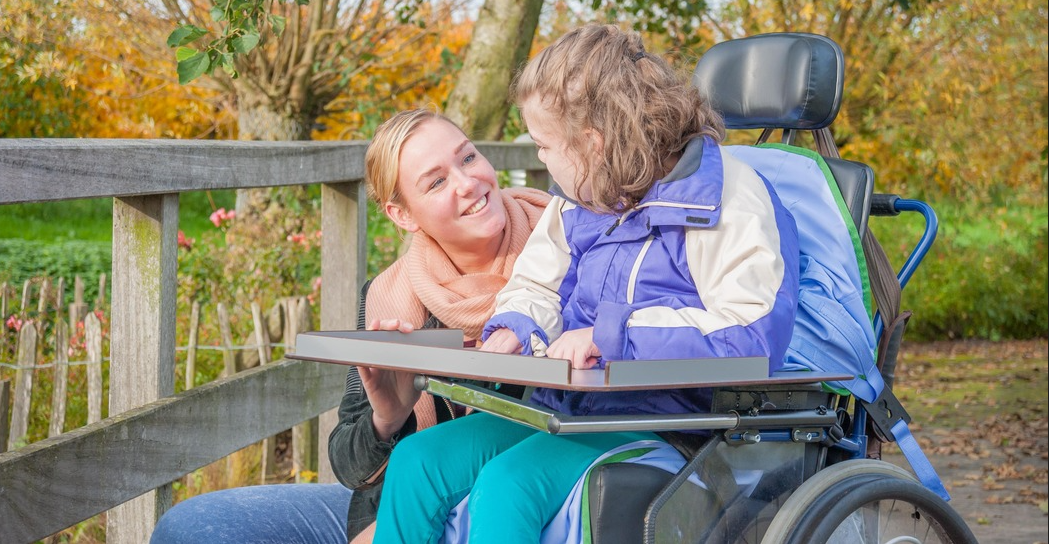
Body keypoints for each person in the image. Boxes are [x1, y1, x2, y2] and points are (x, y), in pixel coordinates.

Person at [371, 23, 801, 543]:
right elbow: (537, 285)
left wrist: (608, 336)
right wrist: (515, 328)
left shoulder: (728, 198)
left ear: (591, 144)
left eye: (544, 145)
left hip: (675, 423)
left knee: (508, 485)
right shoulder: (580, 201)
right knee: (420, 460)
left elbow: (751, 334)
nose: (540, 161)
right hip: (571, 410)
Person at [149, 109, 551, 543]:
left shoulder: (566, 254)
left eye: (468, 158)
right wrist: (388, 418)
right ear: (403, 215)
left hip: (515, 503)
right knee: (192, 527)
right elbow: (350, 466)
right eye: (436, 182)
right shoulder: (389, 295)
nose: (468, 182)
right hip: (399, 505)